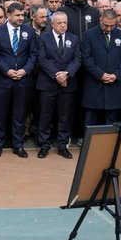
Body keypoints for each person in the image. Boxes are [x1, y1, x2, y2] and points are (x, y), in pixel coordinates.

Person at [34, 11, 80, 159]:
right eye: (59, 22)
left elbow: (77, 59)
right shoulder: (43, 38)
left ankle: (62, 145)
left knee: (65, 116)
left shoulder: (74, 39)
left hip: (67, 83)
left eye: (65, 22)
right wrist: (57, 75)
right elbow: (42, 59)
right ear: (52, 24)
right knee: (45, 115)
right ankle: (44, 145)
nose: (62, 25)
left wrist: (66, 74)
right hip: (48, 83)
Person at [0, 3, 35, 158]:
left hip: (23, 80)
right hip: (3, 80)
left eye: (22, 15)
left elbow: (33, 54)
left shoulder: (29, 31)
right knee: (0, 114)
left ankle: (18, 145)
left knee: (19, 115)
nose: (21, 18)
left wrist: (25, 70)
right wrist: (7, 71)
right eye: (17, 15)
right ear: (8, 16)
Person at [80, 8, 121, 127]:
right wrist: (100, 75)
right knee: (91, 122)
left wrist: (116, 75)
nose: (108, 28)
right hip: (94, 85)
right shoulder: (89, 34)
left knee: (111, 123)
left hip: (114, 86)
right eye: (105, 25)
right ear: (100, 20)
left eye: (112, 26)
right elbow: (86, 58)